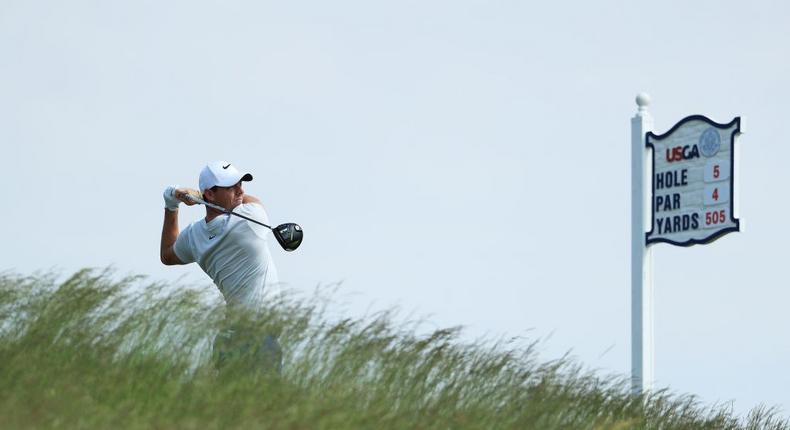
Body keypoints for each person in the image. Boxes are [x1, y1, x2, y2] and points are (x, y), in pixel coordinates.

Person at [160, 161, 282, 373]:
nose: (240, 190)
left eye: (240, 184)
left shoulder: (195, 235)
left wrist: (171, 202)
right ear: (210, 194)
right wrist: (199, 194)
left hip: (228, 339)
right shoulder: (250, 219)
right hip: (259, 341)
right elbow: (255, 200)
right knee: (266, 406)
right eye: (231, 186)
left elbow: (167, 254)